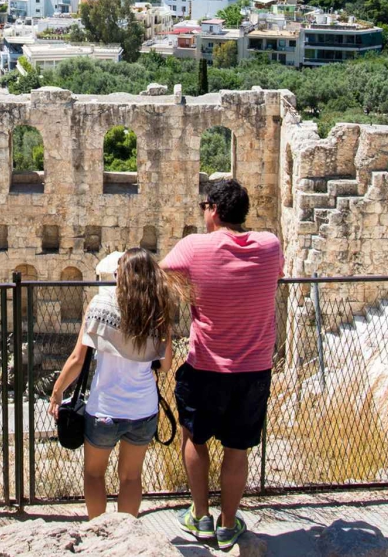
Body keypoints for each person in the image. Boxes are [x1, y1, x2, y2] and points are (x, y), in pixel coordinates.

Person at [160, 178, 281, 551]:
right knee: (237, 447)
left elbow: (160, 273)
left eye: (204, 208)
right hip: (255, 367)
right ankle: (229, 524)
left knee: (195, 437)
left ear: (213, 210)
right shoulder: (271, 246)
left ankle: (200, 517)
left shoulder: (194, 247)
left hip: (206, 366)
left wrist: (191, 291)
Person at [48, 248, 176, 519]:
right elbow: (165, 366)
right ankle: (125, 534)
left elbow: (77, 359)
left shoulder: (100, 306)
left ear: (123, 277)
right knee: (130, 477)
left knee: (94, 474)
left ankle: (101, 535)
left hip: (105, 408)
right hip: (143, 409)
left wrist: (57, 392)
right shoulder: (157, 312)